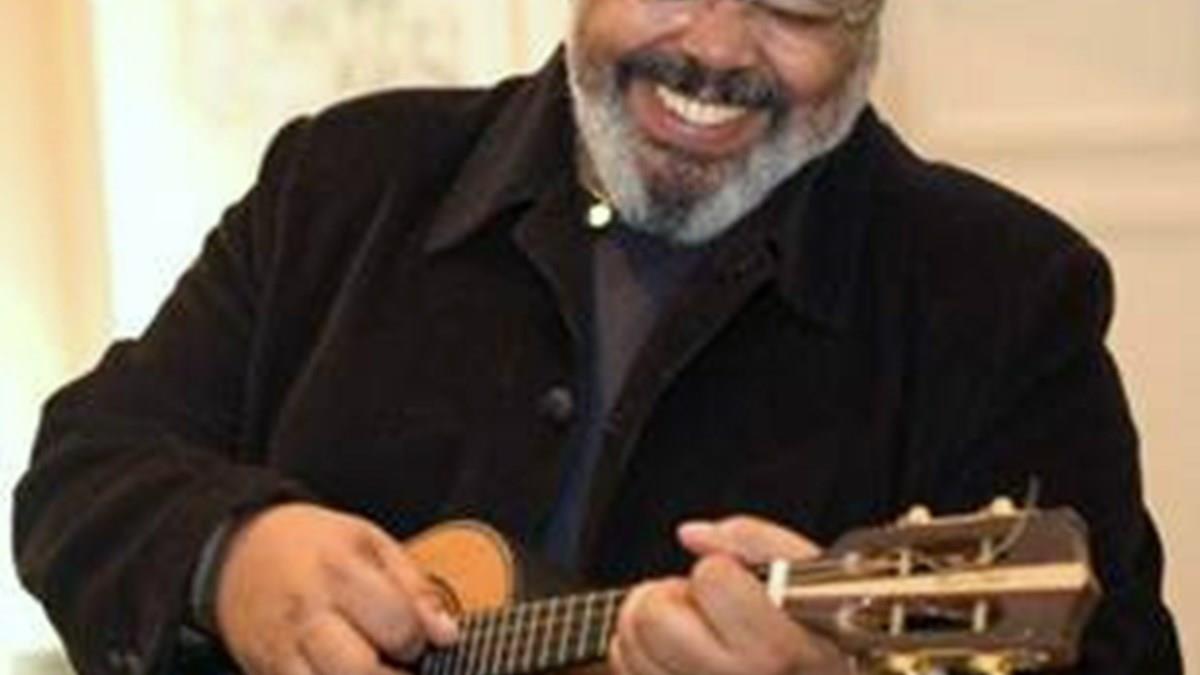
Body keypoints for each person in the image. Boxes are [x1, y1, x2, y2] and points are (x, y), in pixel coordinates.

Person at [13, 0, 1183, 673]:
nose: (717, 47)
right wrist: (233, 556)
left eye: (794, 2)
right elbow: (81, 470)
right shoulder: (343, 180)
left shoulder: (1008, 297)